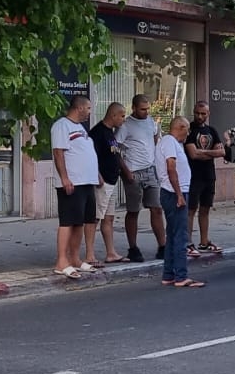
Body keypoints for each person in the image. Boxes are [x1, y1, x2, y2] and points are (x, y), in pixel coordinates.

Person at [51, 95, 99, 278]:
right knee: (68, 222)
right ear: (79, 107)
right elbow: (58, 152)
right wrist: (65, 178)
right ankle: (61, 261)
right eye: (88, 108)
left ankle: (75, 258)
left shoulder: (80, 128)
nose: (89, 112)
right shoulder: (62, 126)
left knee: (81, 222)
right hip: (72, 182)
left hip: (87, 182)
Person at [117, 93, 165, 262]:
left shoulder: (151, 122)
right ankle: (133, 247)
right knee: (133, 210)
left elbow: (154, 139)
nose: (146, 112)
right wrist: (125, 170)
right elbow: (116, 149)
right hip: (133, 172)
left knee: (157, 208)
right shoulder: (125, 125)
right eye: (142, 109)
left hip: (151, 170)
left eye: (147, 109)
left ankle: (162, 245)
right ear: (134, 108)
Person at [157, 116, 204, 287]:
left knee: (173, 235)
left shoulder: (172, 143)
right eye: (187, 130)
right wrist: (179, 194)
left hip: (174, 192)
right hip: (174, 193)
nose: (188, 134)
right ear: (181, 127)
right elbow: (171, 167)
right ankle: (181, 276)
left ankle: (169, 274)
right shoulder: (169, 142)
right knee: (180, 236)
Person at [87, 102, 128, 265]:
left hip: (112, 180)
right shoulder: (98, 133)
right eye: (122, 116)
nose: (123, 120)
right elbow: (91, 156)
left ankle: (111, 252)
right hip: (102, 182)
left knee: (109, 218)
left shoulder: (111, 133)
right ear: (113, 115)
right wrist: (96, 175)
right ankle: (89, 255)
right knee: (95, 218)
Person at [185, 101, 226, 255]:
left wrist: (202, 152)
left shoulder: (212, 130)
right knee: (191, 209)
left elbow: (222, 152)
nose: (200, 116)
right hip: (193, 176)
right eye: (197, 113)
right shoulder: (189, 130)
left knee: (205, 209)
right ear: (194, 112)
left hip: (209, 175)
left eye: (203, 113)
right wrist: (210, 153)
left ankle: (204, 242)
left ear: (208, 114)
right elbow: (193, 154)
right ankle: (188, 243)